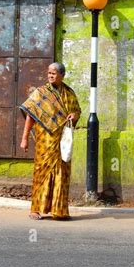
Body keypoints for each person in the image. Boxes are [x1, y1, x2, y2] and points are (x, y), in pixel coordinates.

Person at [20, 63, 81, 221]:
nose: (50, 76)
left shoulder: (69, 93)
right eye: (49, 73)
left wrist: (74, 116)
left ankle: (59, 211)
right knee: (41, 173)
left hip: (62, 142)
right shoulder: (40, 93)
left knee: (62, 174)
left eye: (54, 73)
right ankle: (36, 209)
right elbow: (30, 115)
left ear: (62, 75)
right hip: (45, 143)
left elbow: (77, 112)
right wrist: (24, 138)